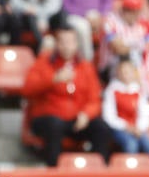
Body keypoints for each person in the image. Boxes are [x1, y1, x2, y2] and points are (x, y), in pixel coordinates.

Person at [22, 25, 116, 168]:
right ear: (56, 44)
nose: (66, 46)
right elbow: (27, 90)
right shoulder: (43, 62)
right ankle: (54, 171)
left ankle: (99, 170)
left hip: (77, 118)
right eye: (62, 42)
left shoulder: (85, 66)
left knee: (101, 128)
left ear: (77, 44)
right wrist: (53, 79)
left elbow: (94, 99)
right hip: (48, 116)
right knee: (55, 126)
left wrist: (86, 114)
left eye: (70, 42)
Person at [102, 57, 149, 164]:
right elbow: (109, 116)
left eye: (128, 71)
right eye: (123, 72)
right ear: (117, 73)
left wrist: (139, 128)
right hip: (119, 129)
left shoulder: (139, 91)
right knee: (131, 145)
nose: (126, 75)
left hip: (137, 129)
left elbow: (144, 113)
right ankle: (130, 172)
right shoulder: (112, 91)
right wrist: (126, 127)